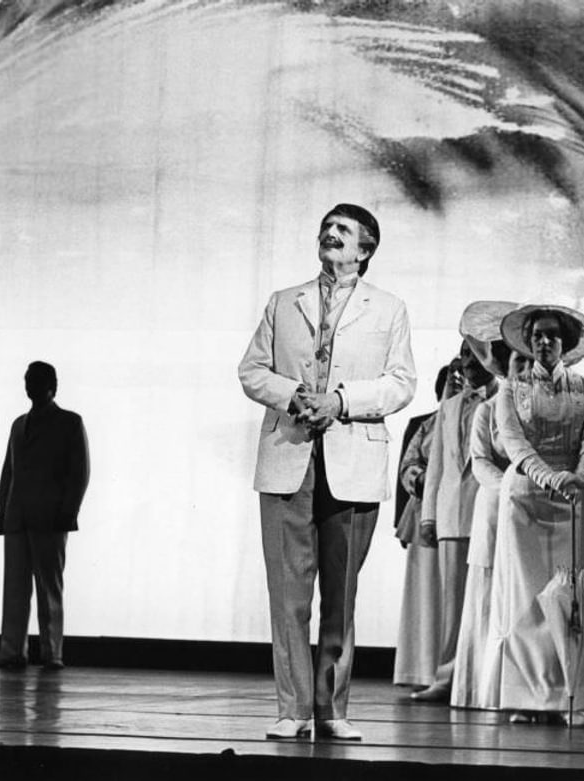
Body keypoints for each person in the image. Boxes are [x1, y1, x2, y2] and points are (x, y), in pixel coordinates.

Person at [238, 203, 416, 740]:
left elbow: (401, 383)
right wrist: (295, 396)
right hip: (290, 457)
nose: (330, 234)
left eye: (344, 230)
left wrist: (341, 401)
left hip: (353, 457)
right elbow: (251, 370)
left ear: (365, 249)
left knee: (340, 594)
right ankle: (292, 710)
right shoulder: (283, 302)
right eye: (326, 227)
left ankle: (332, 710)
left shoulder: (387, 309)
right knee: (289, 593)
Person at [478, 304, 584, 727]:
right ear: (528, 342)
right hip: (527, 498)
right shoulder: (510, 392)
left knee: (572, 598)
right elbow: (514, 445)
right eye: (537, 336)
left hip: (575, 496)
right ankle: (527, 696)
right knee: (526, 597)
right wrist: (548, 477)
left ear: (565, 344)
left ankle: (571, 697)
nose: (544, 342)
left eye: (553, 335)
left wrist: (580, 475)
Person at [412, 327, 499, 703]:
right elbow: (435, 468)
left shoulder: (504, 401)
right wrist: (428, 516)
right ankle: (447, 677)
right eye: (463, 354)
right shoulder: (448, 406)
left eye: (475, 354)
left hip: (488, 511)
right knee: (452, 604)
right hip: (450, 514)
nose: (467, 361)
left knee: (489, 600)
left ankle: (486, 679)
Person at [0, 361, 89, 672]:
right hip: (17, 516)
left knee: (49, 588)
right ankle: (11, 650)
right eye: (28, 380)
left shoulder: (70, 422)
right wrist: (0, 512)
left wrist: (68, 512)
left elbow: (79, 472)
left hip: (51, 517)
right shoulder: (18, 424)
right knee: (14, 587)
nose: (31, 386)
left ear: (52, 385)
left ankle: (52, 652)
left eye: (37, 381)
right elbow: (9, 470)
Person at [444, 300, 519, 709]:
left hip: (530, 509)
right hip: (496, 507)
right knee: (488, 590)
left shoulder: (534, 404)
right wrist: (512, 488)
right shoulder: (487, 410)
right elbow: (481, 463)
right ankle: (482, 686)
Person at [393, 365, 455, 689]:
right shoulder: (422, 423)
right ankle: (420, 669)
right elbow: (405, 466)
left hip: (458, 513)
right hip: (421, 516)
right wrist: (398, 523)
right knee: (424, 592)